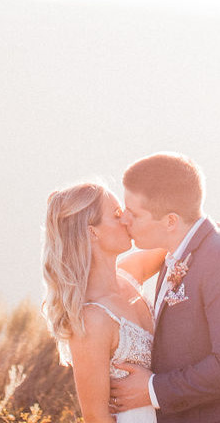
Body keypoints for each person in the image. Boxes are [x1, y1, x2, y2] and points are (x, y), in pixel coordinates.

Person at [109, 152, 220, 423]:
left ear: (170, 221)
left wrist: (152, 390)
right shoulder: (176, 255)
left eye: (134, 214)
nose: (124, 220)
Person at [42, 180, 164, 423]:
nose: (127, 220)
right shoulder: (92, 320)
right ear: (92, 231)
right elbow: (96, 417)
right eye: (117, 214)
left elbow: (179, 243)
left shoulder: (131, 274)